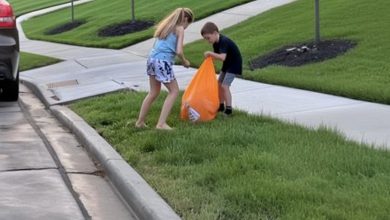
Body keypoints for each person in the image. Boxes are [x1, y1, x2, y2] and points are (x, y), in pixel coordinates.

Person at [135, 8, 194, 130]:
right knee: (174, 91)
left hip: (151, 60)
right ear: (186, 20)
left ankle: (140, 122)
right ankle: (161, 124)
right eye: (188, 24)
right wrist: (185, 61)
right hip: (162, 62)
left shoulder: (166, 26)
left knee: (153, 92)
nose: (187, 27)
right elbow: (179, 51)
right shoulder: (180, 29)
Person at [201, 22, 242, 116]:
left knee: (225, 86)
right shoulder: (215, 43)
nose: (208, 40)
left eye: (208, 38)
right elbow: (217, 56)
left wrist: (210, 54)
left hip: (234, 65)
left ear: (215, 33)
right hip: (227, 64)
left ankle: (228, 110)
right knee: (219, 84)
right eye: (205, 39)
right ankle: (221, 106)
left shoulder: (224, 41)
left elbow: (222, 57)